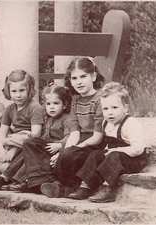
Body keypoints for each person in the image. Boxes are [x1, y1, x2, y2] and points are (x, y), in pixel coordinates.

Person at [68, 82, 148, 202]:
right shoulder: (106, 123)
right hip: (116, 155)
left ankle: (107, 188)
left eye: (114, 108)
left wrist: (115, 150)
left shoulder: (131, 124)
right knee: (96, 154)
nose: (109, 113)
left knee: (113, 155)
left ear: (125, 108)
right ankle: (86, 186)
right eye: (105, 109)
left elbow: (138, 149)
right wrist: (106, 152)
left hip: (134, 160)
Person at [40, 56, 106, 198]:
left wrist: (74, 149)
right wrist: (64, 150)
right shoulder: (75, 103)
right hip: (80, 140)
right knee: (63, 154)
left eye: (83, 76)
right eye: (74, 78)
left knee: (71, 155)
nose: (79, 82)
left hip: (95, 142)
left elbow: (97, 136)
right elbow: (74, 133)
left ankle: (72, 187)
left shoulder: (100, 100)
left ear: (93, 76)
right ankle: (60, 185)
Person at [0, 69, 44, 190]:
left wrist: (13, 150)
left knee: (29, 146)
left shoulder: (35, 107)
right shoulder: (10, 108)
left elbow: (35, 134)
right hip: (10, 142)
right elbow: (2, 133)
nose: (18, 95)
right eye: (14, 91)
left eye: (22, 90)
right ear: (8, 91)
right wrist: (2, 151)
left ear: (29, 89)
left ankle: (6, 178)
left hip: (25, 144)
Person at [11, 84, 72, 193]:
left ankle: (25, 181)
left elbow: (70, 136)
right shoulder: (47, 118)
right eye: (48, 104)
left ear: (64, 104)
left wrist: (60, 145)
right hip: (47, 148)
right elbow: (45, 136)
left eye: (56, 103)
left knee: (32, 152)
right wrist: (34, 136)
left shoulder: (66, 119)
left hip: (57, 151)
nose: (51, 107)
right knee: (29, 145)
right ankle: (18, 179)